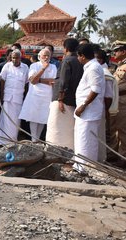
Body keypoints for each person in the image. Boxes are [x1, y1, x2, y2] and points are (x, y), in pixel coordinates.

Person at [46, 38, 83, 150]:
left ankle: (54, 151)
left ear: (65, 48)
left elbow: (63, 81)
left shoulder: (67, 61)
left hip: (62, 99)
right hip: (73, 99)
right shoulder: (80, 61)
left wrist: (60, 100)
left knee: (56, 127)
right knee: (69, 128)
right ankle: (70, 150)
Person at [73, 44, 105, 173]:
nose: (78, 59)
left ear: (82, 56)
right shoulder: (92, 66)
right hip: (87, 112)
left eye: (78, 56)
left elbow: (95, 89)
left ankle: (84, 167)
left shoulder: (93, 68)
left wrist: (83, 105)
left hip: (88, 111)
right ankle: (82, 166)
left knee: (85, 139)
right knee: (85, 139)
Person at [19, 48, 57, 142]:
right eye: (44, 55)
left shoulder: (53, 67)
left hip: (47, 96)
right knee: (34, 117)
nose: (46, 57)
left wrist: (39, 80)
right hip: (35, 95)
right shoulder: (34, 65)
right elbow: (32, 81)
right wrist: (43, 68)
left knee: (43, 118)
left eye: (48, 55)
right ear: (39, 57)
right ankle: (33, 139)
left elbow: (54, 81)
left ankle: (37, 138)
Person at [0, 49, 29, 145]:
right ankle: (1, 141)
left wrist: (26, 97)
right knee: (5, 119)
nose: (14, 59)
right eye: (13, 57)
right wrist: (1, 96)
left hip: (18, 98)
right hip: (7, 97)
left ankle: (11, 141)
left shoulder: (25, 67)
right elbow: (2, 81)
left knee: (15, 121)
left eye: (16, 58)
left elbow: (26, 83)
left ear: (20, 58)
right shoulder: (7, 66)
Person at [94, 48, 118, 162]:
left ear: (100, 60)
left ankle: (98, 159)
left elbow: (108, 96)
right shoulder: (98, 70)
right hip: (96, 109)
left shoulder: (105, 73)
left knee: (99, 134)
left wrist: (106, 110)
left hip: (100, 108)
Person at [109, 40, 126, 166]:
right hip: (117, 101)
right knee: (115, 129)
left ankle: (123, 158)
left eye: (117, 50)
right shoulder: (120, 65)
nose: (114, 53)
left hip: (123, 101)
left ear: (123, 51)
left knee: (123, 130)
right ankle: (116, 155)